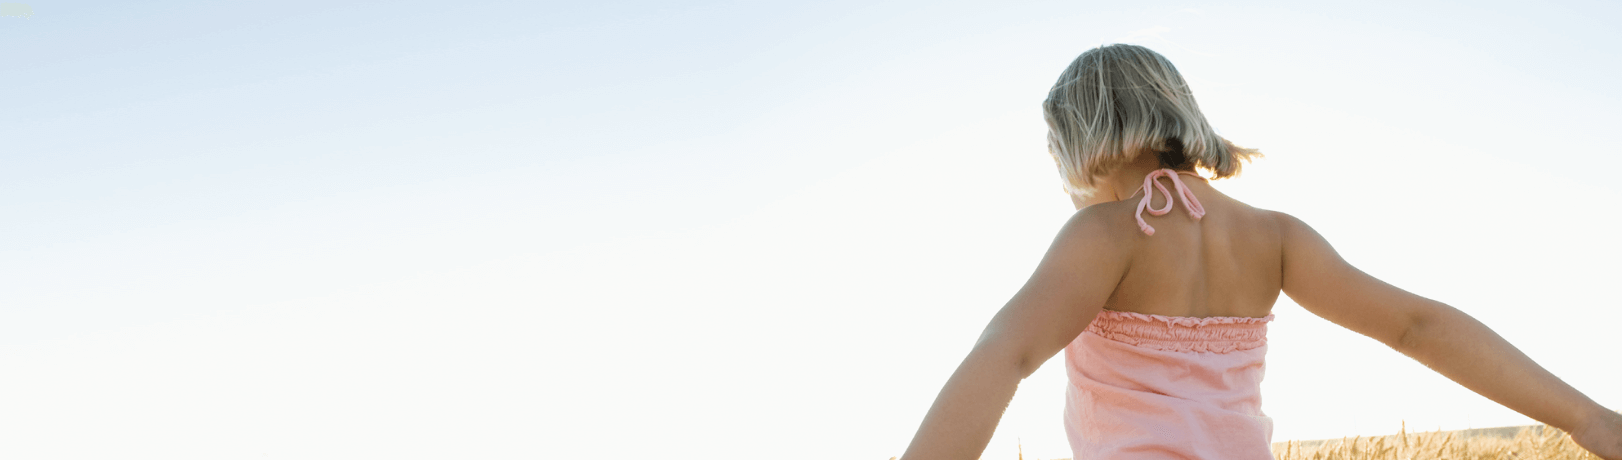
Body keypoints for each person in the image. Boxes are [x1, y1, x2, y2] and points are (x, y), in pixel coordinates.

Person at [897, 44, 1622, 460]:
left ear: (1076, 143)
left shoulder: (1107, 234)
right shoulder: (1275, 236)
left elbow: (1004, 355)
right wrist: (1587, 419)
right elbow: (1417, 327)